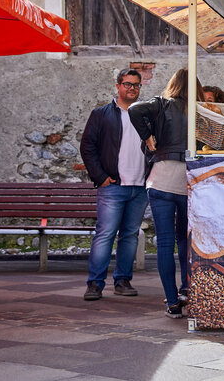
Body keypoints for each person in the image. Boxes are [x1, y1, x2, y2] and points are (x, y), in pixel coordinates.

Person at [128, 68, 199, 318]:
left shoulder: (161, 104)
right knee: (186, 243)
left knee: (165, 244)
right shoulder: (199, 111)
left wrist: (148, 138)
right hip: (188, 184)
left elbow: (134, 109)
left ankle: (171, 301)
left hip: (160, 181)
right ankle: (186, 290)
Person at [81, 68, 148, 301]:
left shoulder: (146, 115)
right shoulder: (101, 114)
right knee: (105, 234)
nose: (132, 88)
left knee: (130, 235)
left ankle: (122, 281)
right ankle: (95, 284)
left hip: (140, 186)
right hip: (112, 186)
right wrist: (100, 178)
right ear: (118, 86)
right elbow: (87, 147)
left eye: (136, 85)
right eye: (128, 84)